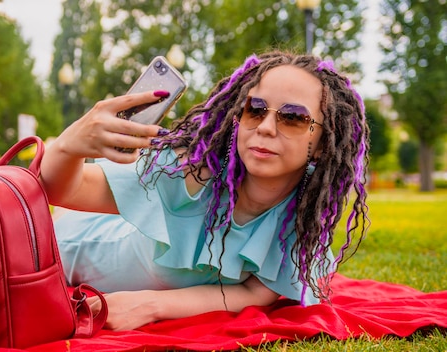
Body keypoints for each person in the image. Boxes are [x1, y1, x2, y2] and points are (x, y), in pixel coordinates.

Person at [39, 51, 370, 331]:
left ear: (324, 144)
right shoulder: (188, 172)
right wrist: (68, 146)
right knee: (64, 216)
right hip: (65, 247)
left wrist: (150, 305)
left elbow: (255, 294)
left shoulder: (303, 219)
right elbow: (60, 190)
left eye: (293, 117)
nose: (266, 127)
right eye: (255, 109)